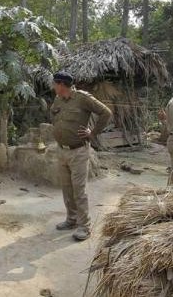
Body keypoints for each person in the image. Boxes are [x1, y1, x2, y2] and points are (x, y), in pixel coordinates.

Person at [50, 71, 112, 241]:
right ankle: (71, 219)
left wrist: (93, 133)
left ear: (61, 84)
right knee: (66, 188)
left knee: (79, 189)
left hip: (78, 151)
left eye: (55, 84)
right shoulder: (58, 99)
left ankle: (84, 226)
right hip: (62, 150)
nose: (53, 86)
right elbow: (54, 118)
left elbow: (106, 113)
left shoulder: (83, 98)